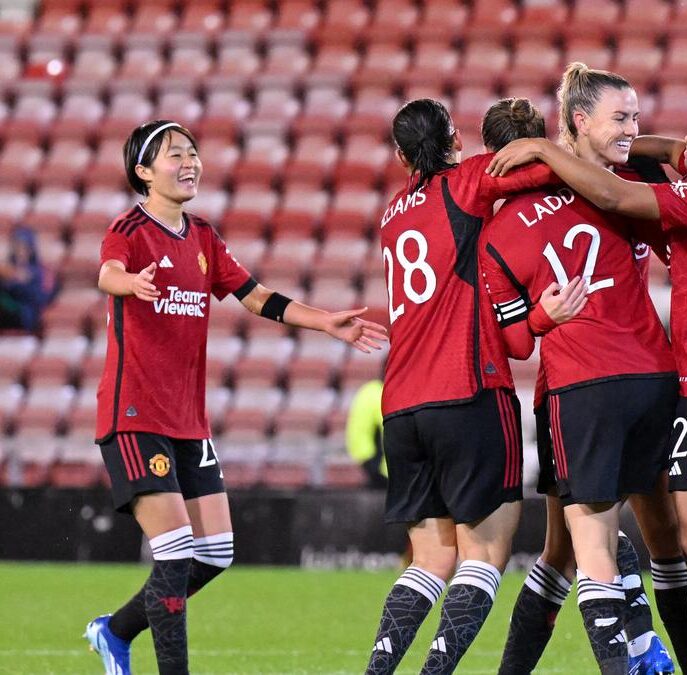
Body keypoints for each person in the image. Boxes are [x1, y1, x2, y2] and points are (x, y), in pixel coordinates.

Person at [488, 91, 687, 675]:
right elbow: (677, 176)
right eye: (623, 118)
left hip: (664, 386)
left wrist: (551, 148)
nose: (678, 140)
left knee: (647, 545)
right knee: (676, 546)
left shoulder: (510, 226)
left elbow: (517, 340)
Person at [84, 120, 388, 675]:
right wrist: (127, 283)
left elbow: (253, 295)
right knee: (174, 552)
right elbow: (107, 271)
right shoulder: (128, 229)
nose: (190, 162)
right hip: (135, 415)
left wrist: (323, 321)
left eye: (193, 153)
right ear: (144, 171)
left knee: (215, 554)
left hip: (188, 423)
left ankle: (115, 629)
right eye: (176, 155)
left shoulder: (202, 236)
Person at [479, 73, 683, 675]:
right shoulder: (622, 186)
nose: (631, 129)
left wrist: (542, 314)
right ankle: (659, 650)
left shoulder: (498, 230)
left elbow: (515, 341)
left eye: (632, 118)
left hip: (576, 389)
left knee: (582, 545)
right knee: (606, 544)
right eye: (620, 117)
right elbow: (685, 230)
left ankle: (639, 653)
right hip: (653, 376)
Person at [365, 98, 557, 675]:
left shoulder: (392, 215)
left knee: (429, 559)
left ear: (400, 156)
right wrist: (546, 144)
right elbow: (551, 170)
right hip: (468, 388)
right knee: (486, 552)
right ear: (455, 141)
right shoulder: (466, 181)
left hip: (400, 403)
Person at [0, 226, 55, 331]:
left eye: (23, 247)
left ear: (31, 249)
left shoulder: (41, 271)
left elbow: (42, 297)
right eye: (16, 247)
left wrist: (19, 285)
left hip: (25, 314)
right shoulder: (7, 269)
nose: (19, 251)